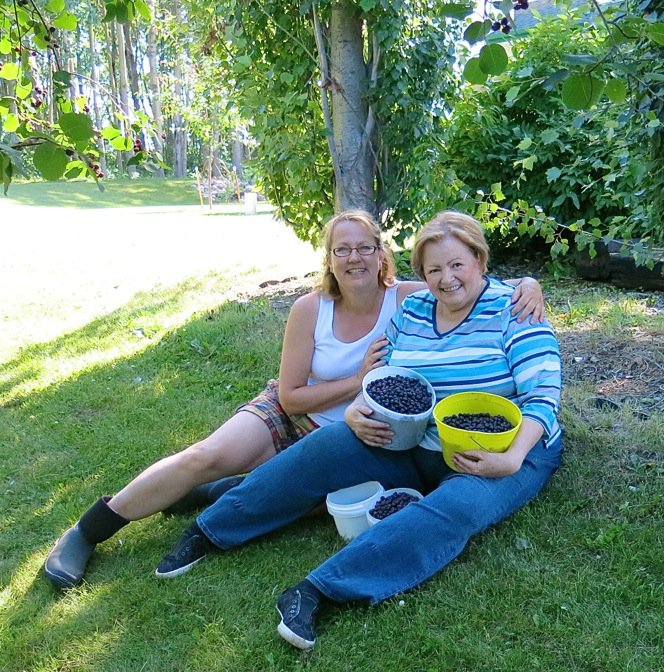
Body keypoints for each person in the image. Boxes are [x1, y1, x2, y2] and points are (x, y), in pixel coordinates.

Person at [43, 209, 545, 590]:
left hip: (354, 431)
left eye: (364, 248)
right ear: (329, 259)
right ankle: (89, 531)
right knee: (205, 457)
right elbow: (291, 395)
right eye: (341, 250)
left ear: (380, 255)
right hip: (292, 415)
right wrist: (358, 386)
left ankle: (222, 494)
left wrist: (528, 284)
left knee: (323, 501)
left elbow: (465, 279)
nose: (354, 258)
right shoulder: (312, 309)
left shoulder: (409, 296)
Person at [155, 211, 562, 651]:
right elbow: (387, 374)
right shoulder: (415, 309)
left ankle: (317, 591)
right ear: (421, 275)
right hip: (418, 438)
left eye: (457, 264)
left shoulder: (514, 309)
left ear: (479, 261)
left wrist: (512, 458)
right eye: (433, 269)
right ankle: (211, 528)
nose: (446, 279)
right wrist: (358, 410)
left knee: (456, 507)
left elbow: (543, 394)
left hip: (504, 447)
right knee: (326, 445)